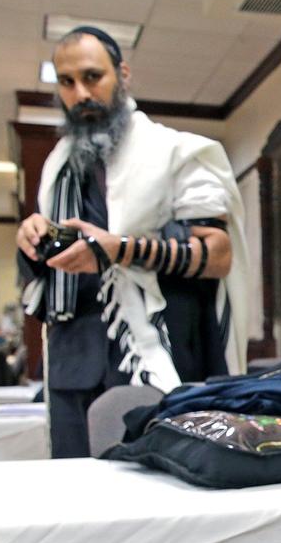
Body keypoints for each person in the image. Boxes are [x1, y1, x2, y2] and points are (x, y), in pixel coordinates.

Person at [15, 25, 247, 459]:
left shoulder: (175, 153)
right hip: (72, 359)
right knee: (75, 492)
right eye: (66, 82)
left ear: (122, 75)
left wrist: (119, 249)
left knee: (159, 491)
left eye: (92, 77)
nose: (80, 92)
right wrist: (32, 239)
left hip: (157, 353)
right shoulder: (57, 168)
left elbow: (218, 256)